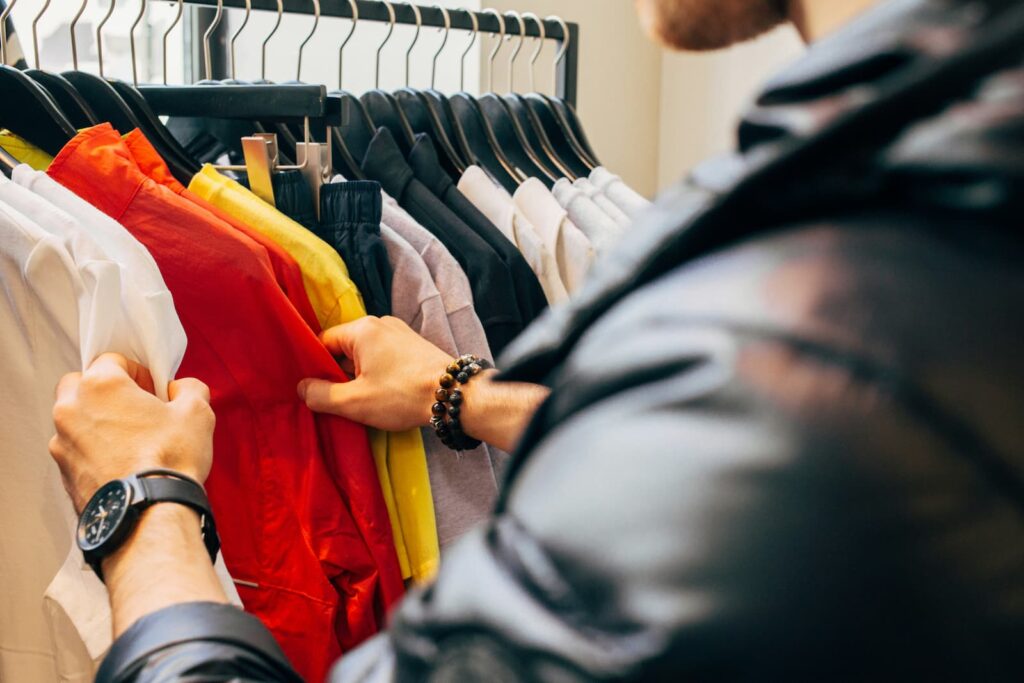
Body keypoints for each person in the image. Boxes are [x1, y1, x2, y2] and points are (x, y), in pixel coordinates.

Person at [48, 0, 1024, 680]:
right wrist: (462, 393)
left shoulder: (815, 308)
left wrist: (142, 506)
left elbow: (766, 435)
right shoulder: (926, 236)